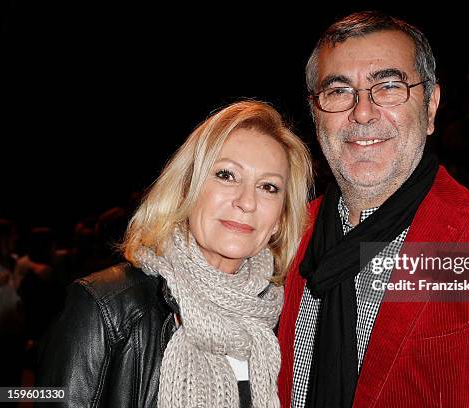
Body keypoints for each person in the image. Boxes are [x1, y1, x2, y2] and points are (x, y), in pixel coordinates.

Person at [276, 11, 469, 408]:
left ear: (430, 108)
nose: (362, 112)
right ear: (315, 112)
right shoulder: (286, 235)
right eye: (339, 91)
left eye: (389, 86)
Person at [37, 100, 313, 407]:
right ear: (186, 189)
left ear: (280, 220)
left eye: (268, 187)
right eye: (226, 175)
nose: (247, 201)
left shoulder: (284, 320)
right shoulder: (108, 308)